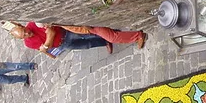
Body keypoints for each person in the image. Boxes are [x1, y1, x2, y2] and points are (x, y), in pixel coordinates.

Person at [9, 22, 146, 59]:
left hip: (81, 29)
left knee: (110, 36)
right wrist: (47, 44)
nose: (27, 33)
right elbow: (45, 46)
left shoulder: (38, 24)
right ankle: (107, 40)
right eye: (24, 35)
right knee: (88, 44)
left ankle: (137, 36)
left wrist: (47, 44)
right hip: (67, 41)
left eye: (25, 31)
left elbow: (50, 38)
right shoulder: (29, 42)